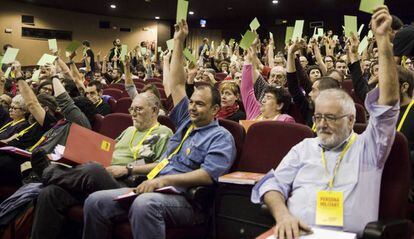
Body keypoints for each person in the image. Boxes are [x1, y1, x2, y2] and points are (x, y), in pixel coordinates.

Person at [251, 6, 400, 238]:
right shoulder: (304, 148)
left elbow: (388, 103)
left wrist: (382, 42)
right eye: (318, 116)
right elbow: (271, 184)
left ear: (351, 120)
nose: (321, 124)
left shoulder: (369, 147)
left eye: (330, 117)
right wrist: (282, 215)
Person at [82, 19, 236, 239]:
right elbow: (178, 83)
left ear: (215, 110)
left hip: (187, 201)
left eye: (199, 104)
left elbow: (208, 175)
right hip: (155, 187)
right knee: (95, 201)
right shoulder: (186, 123)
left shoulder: (221, 136)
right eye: (192, 102)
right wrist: (179, 42)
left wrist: (164, 181)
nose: (192, 107)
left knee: (144, 205)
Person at [29, 92, 173, 239]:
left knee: (93, 169)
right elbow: (108, 150)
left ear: (154, 110)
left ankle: (48, 172)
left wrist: (126, 169)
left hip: (126, 183)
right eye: (131, 109)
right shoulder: (129, 130)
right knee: (50, 193)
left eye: (139, 109)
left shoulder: (164, 133)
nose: (133, 114)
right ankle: (52, 172)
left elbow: (162, 165)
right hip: (103, 175)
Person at [241, 48, 294, 122]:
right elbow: (246, 89)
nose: (263, 100)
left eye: (268, 97)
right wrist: (248, 60)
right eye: (264, 97)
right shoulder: (255, 110)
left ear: (279, 105)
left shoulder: (285, 119)